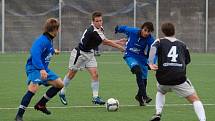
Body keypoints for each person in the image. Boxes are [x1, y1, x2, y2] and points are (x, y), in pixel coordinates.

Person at [59, 11, 124, 105]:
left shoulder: (100, 29)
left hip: (89, 54)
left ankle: (95, 97)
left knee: (95, 74)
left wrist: (118, 41)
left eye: (100, 20)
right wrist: (120, 47)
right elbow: (105, 42)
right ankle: (62, 92)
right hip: (79, 54)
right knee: (71, 74)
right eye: (97, 21)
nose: (99, 22)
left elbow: (104, 40)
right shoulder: (92, 31)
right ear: (92, 21)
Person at [148, 22, 206, 121]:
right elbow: (188, 60)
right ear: (174, 31)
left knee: (161, 91)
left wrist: (150, 63)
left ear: (163, 32)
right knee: (195, 99)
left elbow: (153, 48)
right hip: (179, 78)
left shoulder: (159, 41)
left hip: (163, 78)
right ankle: (203, 119)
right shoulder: (182, 44)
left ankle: (158, 113)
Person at [14, 18, 64, 121]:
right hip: (34, 68)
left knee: (60, 84)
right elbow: (35, 53)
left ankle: (41, 105)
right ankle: (19, 116)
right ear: (54, 29)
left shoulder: (49, 40)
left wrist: (54, 51)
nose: (58, 31)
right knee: (33, 88)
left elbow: (45, 51)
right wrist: (41, 69)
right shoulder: (42, 40)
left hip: (44, 69)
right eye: (57, 29)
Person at [115, 22, 155, 106]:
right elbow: (124, 28)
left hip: (142, 59)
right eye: (145, 30)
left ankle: (139, 97)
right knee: (137, 70)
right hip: (130, 55)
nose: (146, 33)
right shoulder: (133, 31)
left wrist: (152, 63)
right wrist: (118, 28)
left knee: (144, 81)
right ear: (142, 28)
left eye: (149, 32)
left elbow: (154, 53)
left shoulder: (151, 40)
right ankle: (145, 96)